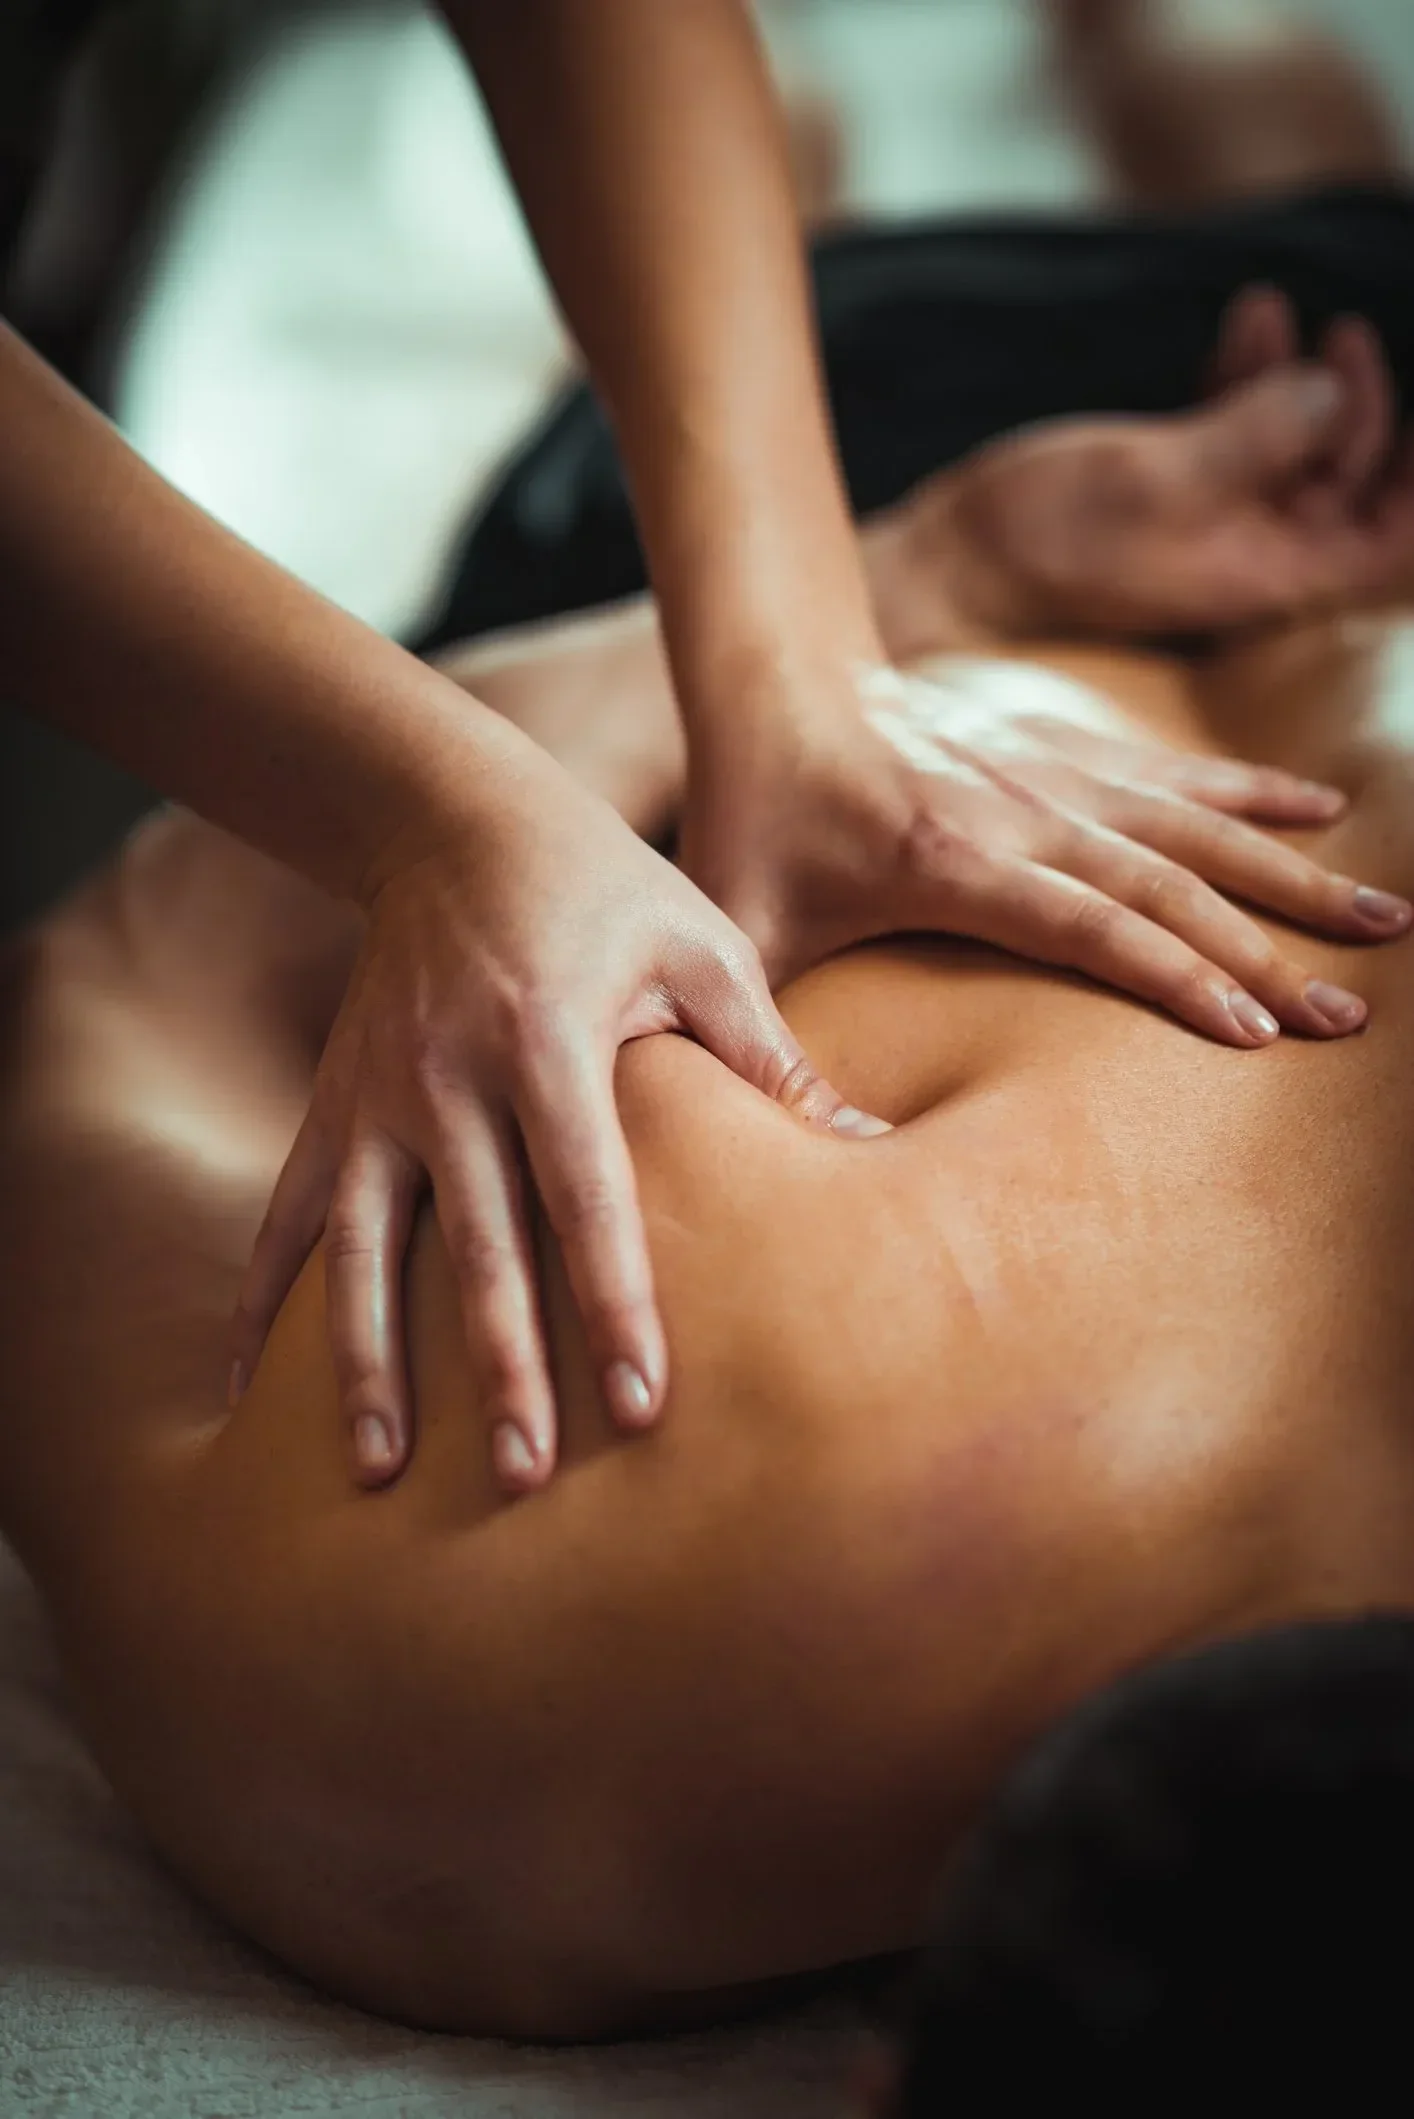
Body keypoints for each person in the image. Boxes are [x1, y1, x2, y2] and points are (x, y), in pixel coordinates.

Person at [7, 286, 1414, 2041]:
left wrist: (933, 568)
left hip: (863, 596)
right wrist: (888, 598)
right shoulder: (478, 1727)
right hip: (967, 569)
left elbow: (124, 981)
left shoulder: (522, 1686)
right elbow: (111, 995)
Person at [2, 0, 1399, 1503]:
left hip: (849, 611)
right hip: (1024, 571)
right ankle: (1166, 52)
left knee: (1179, 312)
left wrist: (886, 606)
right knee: (1280, 252)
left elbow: (115, 991)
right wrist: (925, 580)